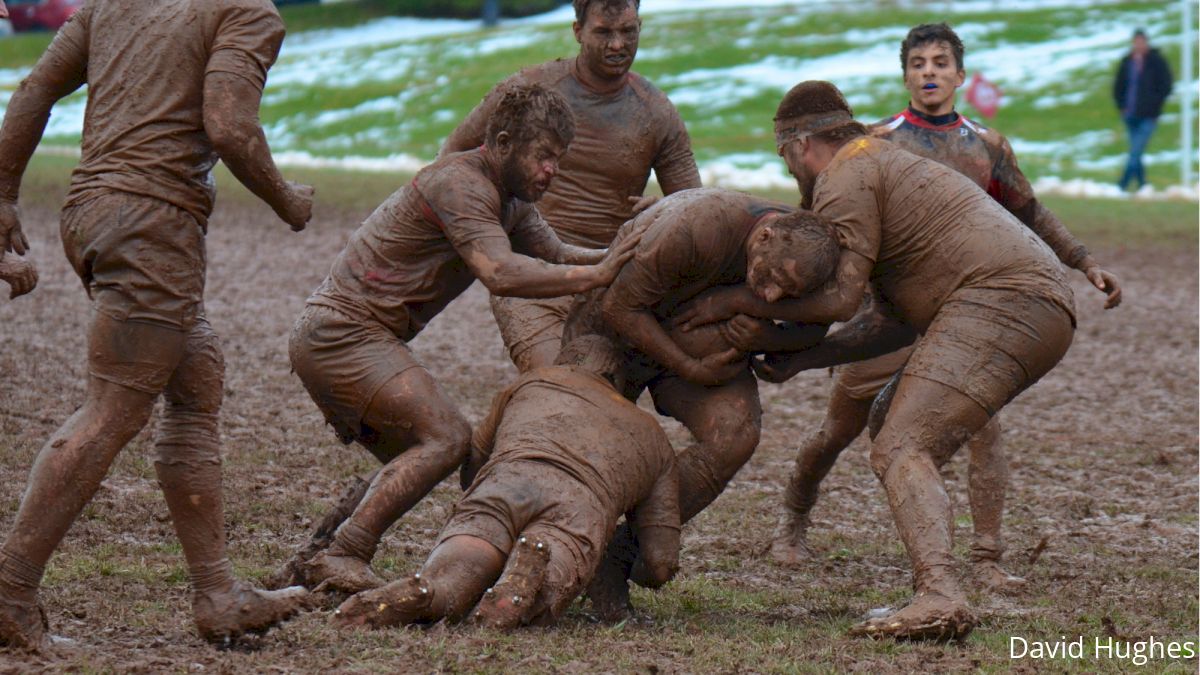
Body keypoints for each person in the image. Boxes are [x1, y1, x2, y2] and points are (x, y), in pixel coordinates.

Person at [678, 81, 1077, 640]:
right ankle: (939, 586)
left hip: (1006, 300)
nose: (793, 174)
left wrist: (729, 302)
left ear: (799, 145)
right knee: (889, 423)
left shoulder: (844, 173)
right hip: (1032, 303)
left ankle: (940, 593)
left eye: (785, 158)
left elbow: (841, 300)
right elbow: (889, 322)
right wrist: (805, 359)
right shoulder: (876, 163)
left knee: (903, 443)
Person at [0, 0, 314, 651]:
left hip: (90, 212)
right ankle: (9, 592)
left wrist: (4, 191)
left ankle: (217, 593)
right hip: (152, 221)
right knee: (113, 406)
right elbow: (228, 127)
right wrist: (287, 199)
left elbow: (36, 89)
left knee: (196, 375)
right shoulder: (246, 11)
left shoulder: (114, 4)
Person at [768, 23, 1123, 593]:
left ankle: (983, 557)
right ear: (905, 74)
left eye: (940, 62)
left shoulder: (985, 145)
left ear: (960, 75)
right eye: (918, 62)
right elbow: (817, 229)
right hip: (893, 310)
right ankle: (793, 521)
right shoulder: (869, 142)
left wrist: (1081, 260)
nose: (929, 71)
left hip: (974, 306)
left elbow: (1028, 211)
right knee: (838, 428)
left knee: (977, 429)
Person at [281, 84, 642, 595]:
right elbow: (499, 271)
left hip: (352, 336)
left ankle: (315, 556)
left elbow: (557, 253)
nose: (551, 170)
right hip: (341, 333)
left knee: (450, 455)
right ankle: (343, 553)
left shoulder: (509, 201)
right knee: (446, 438)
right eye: (542, 156)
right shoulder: (460, 183)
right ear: (500, 143)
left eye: (558, 159)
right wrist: (599, 275)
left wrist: (626, 251)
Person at [571, 188, 837, 620]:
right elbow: (618, 305)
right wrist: (689, 367)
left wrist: (763, 335)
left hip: (694, 351)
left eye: (786, 292)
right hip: (612, 333)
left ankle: (619, 554)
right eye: (771, 279)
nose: (769, 297)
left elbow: (812, 331)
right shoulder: (698, 228)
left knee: (734, 434)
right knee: (581, 447)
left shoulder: (811, 254)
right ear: (764, 236)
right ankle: (558, 547)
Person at [331, 335, 680, 630]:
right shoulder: (652, 435)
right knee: (555, 561)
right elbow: (661, 560)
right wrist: (632, 567)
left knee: (459, 567)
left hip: (508, 481)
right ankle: (523, 587)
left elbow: (474, 465)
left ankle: (429, 591)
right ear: (619, 378)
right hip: (575, 503)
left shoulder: (531, 382)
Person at [441, 0, 701, 373]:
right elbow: (451, 158)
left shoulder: (657, 112)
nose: (617, 45)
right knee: (564, 383)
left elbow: (691, 205)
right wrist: (482, 232)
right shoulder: (530, 91)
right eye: (604, 32)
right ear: (578, 31)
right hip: (534, 278)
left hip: (614, 278)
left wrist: (662, 212)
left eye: (628, 31)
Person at [1112, 29, 1174, 191]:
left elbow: (1166, 86)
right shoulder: (1127, 61)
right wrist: (1121, 106)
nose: (1138, 45)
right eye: (1136, 42)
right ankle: (1142, 186)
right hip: (1130, 114)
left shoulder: (1156, 61)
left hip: (1148, 115)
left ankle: (1122, 185)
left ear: (1146, 42)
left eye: (1141, 41)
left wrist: (1155, 107)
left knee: (1135, 151)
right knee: (1136, 151)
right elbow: (1118, 86)